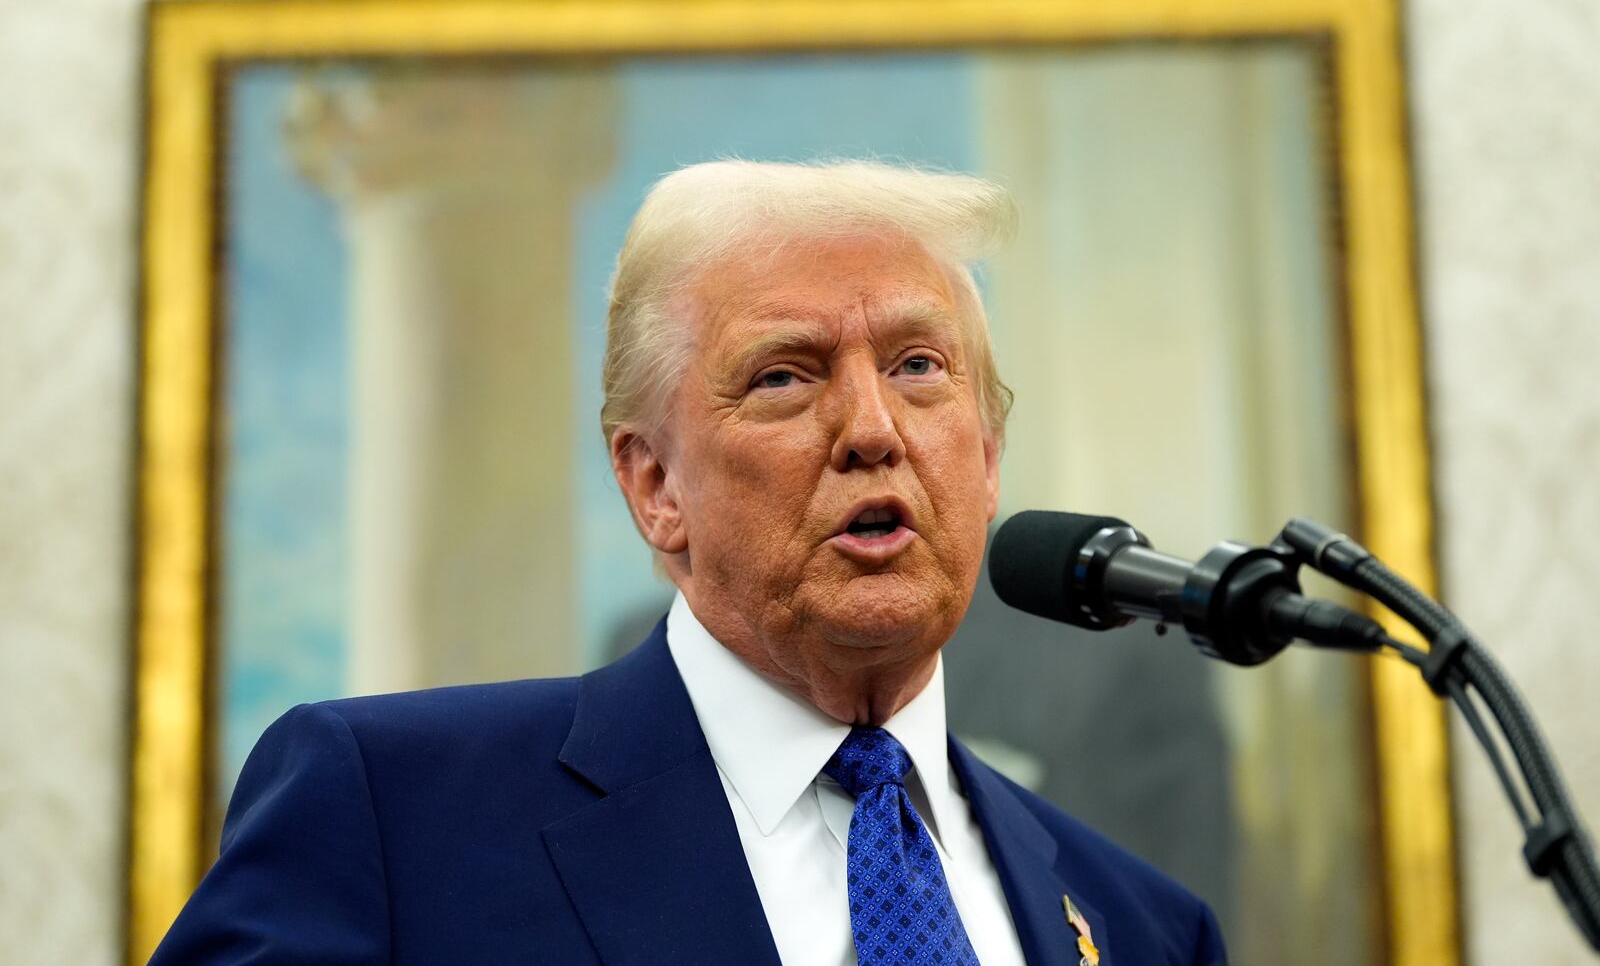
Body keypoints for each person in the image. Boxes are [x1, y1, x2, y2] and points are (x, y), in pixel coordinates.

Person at [150, 159, 1227, 964]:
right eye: (782, 377)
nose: (872, 427)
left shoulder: (1141, 921)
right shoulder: (392, 812)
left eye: (917, 365)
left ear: (987, 461)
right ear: (654, 483)